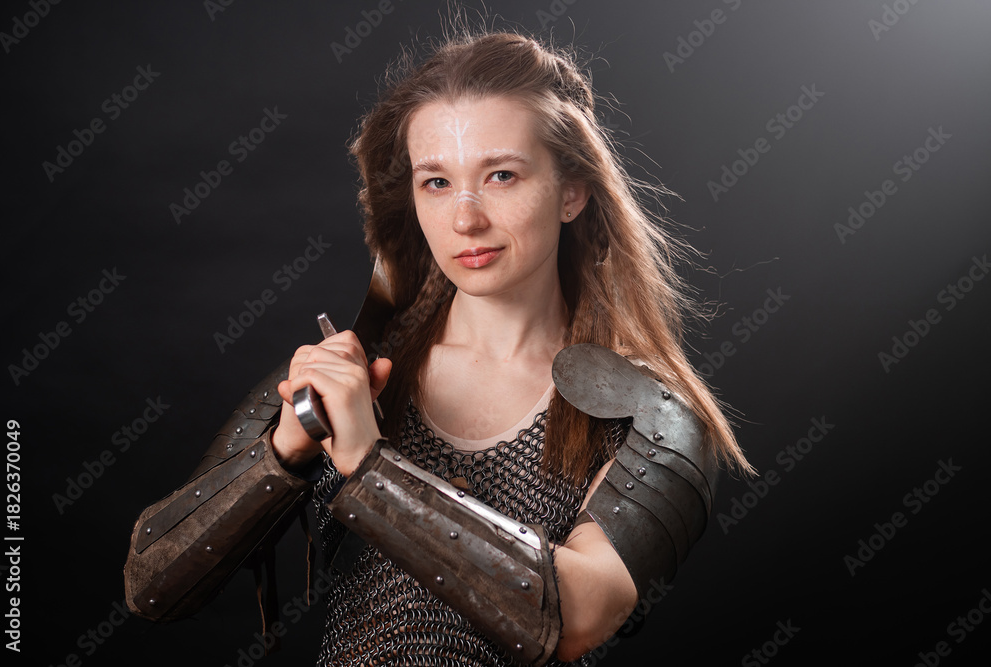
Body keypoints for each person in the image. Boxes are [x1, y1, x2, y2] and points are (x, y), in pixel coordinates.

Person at [125, 26, 753, 667]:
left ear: (572, 191)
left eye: (502, 175)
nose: (465, 219)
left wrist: (370, 467)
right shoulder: (356, 372)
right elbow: (151, 586)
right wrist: (285, 450)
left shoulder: (652, 413)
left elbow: (581, 617)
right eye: (437, 182)